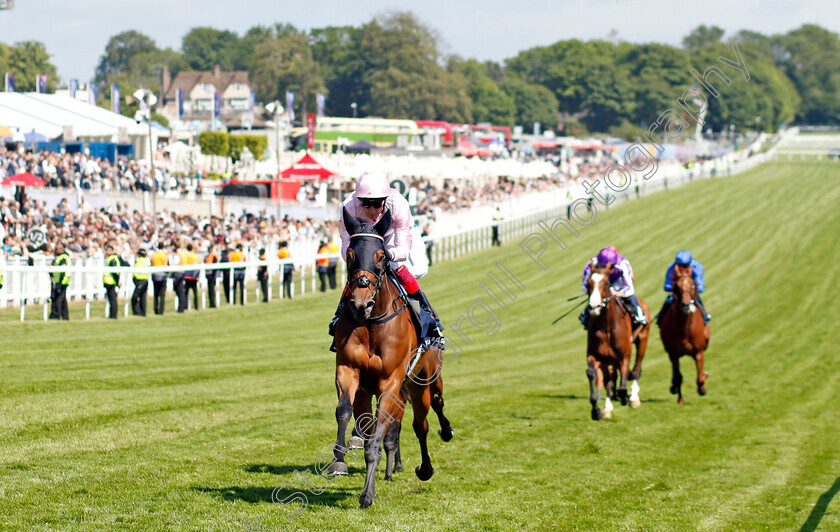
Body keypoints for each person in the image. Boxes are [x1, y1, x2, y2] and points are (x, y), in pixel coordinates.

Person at [329, 170, 445, 352]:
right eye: (366, 204)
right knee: (360, 269)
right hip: (366, 237)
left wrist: (388, 256)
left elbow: (403, 249)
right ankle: (338, 318)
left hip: (394, 234)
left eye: (377, 204)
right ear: (358, 201)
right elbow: (346, 246)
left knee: (408, 268)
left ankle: (431, 321)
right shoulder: (347, 208)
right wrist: (357, 258)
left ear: (385, 199)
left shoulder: (398, 205)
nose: (372, 210)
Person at [579, 246, 647, 330]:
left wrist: (619, 293)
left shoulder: (622, 264)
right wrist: (595, 293)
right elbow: (584, 286)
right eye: (602, 266)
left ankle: (639, 315)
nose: (607, 269)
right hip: (601, 283)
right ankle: (585, 315)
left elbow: (630, 288)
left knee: (629, 296)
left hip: (618, 282)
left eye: (610, 267)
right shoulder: (591, 264)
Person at [656, 250, 710, 325]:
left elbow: (700, 287)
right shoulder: (672, 268)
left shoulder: (697, 267)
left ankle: (705, 316)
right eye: (679, 265)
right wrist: (678, 287)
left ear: (689, 264)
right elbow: (667, 286)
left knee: (697, 300)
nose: (682, 268)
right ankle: (660, 317)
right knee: (669, 300)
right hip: (678, 292)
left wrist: (689, 289)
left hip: (691, 292)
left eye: (685, 265)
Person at [49, 242, 71, 320]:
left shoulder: (63, 257)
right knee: (63, 300)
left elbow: (63, 271)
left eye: (56, 249)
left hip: (62, 281)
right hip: (59, 281)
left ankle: (56, 315)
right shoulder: (59, 257)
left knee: (58, 299)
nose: (55, 250)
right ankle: (65, 316)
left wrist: (60, 283)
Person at [104, 243, 121, 320]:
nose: (107, 251)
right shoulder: (110, 258)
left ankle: (113, 315)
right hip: (109, 281)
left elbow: (114, 272)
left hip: (111, 282)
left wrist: (117, 282)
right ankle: (112, 315)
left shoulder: (112, 259)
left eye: (109, 250)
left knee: (113, 299)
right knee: (111, 299)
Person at [131, 248, 150, 316]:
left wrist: (135, 279)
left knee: (135, 297)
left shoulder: (140, 261)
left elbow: (136, 272)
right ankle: (143, 312)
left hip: (140, 281)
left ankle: (137, 311)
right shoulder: (147, 260)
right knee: (143, 297)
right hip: (145, 280)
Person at [151, 242, 168, 315]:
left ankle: (155, 309)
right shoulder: (165, 255)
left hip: (155, 274)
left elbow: (152, 263)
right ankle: (161, 310)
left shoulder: (153, 255)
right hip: (163, 275)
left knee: (156, 293)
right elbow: (166, 265)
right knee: (162, 294)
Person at [184, 243, 200, 311]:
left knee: (186, 292)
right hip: (193, 276)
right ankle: (196, 306)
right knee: (195, 292)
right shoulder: (195, 255)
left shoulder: (186, 255)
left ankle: (185, 306)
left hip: (187, 276)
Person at [172, 243, 187, 313]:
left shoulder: (177, 255)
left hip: (178, 274)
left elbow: (174, 264)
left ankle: (181, 308)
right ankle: (182, 307)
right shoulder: (183, 253)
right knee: (181, 292)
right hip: (182, 273)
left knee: (180, 292)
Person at [221, 240, 232, 304]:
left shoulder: (232, 251)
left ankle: (232, 299)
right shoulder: (223, 252)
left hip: (230, 271)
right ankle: (228, 299)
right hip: (225, 272)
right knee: (226, 286)